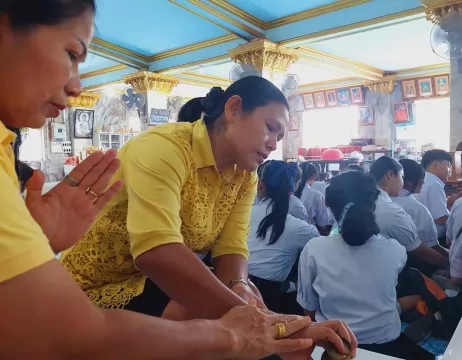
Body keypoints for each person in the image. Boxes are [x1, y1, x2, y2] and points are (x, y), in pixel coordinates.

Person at [0, 0, 355, 358]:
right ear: (233, 110)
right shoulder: (164, 147)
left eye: (280, 137)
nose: (77, 86)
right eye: (72, 53)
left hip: (140, 287)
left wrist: (242, 288)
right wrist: (267, 327)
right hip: (99, 287)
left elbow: (231, 251)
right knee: (204, 311)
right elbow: (157, 254)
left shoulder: (244, 175)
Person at [297, 171, 433, 359]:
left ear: (331, 208)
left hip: (335, 346)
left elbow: (308, 308)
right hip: (386, 343)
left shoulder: (314, 249)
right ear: (373, 205)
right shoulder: (395, 250)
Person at [248, 161, 319, 313]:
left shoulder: (244, 214)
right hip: (270, 299)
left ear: (260, 184)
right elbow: (319, 251)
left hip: (238, 287)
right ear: (292, 190)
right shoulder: (301, 228)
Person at [369, 157, 448, 273]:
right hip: (392, 271)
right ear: (390, 175)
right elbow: (419, 251)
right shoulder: (392, 211)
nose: (403, 182)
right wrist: (451, 264)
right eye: (401, 176)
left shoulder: (361, 201)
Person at [393, 159, 445, 254]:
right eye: (421, 181)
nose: (423, 184)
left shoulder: (382, 200)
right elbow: (432, 247)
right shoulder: (416, 208)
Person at [417, 150, 462, 245]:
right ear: (435, 164)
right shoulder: (434, 184)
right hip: (434, 239)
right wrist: (454, 206)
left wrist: (448, 203)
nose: (450, 171)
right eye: (448, 166)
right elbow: (440, 219)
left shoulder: (425, 180)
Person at [295, 162, 329, 232]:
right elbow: (323, 223)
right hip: (309, 234)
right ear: (313, 177)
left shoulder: (290, 193)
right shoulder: (316, 195)